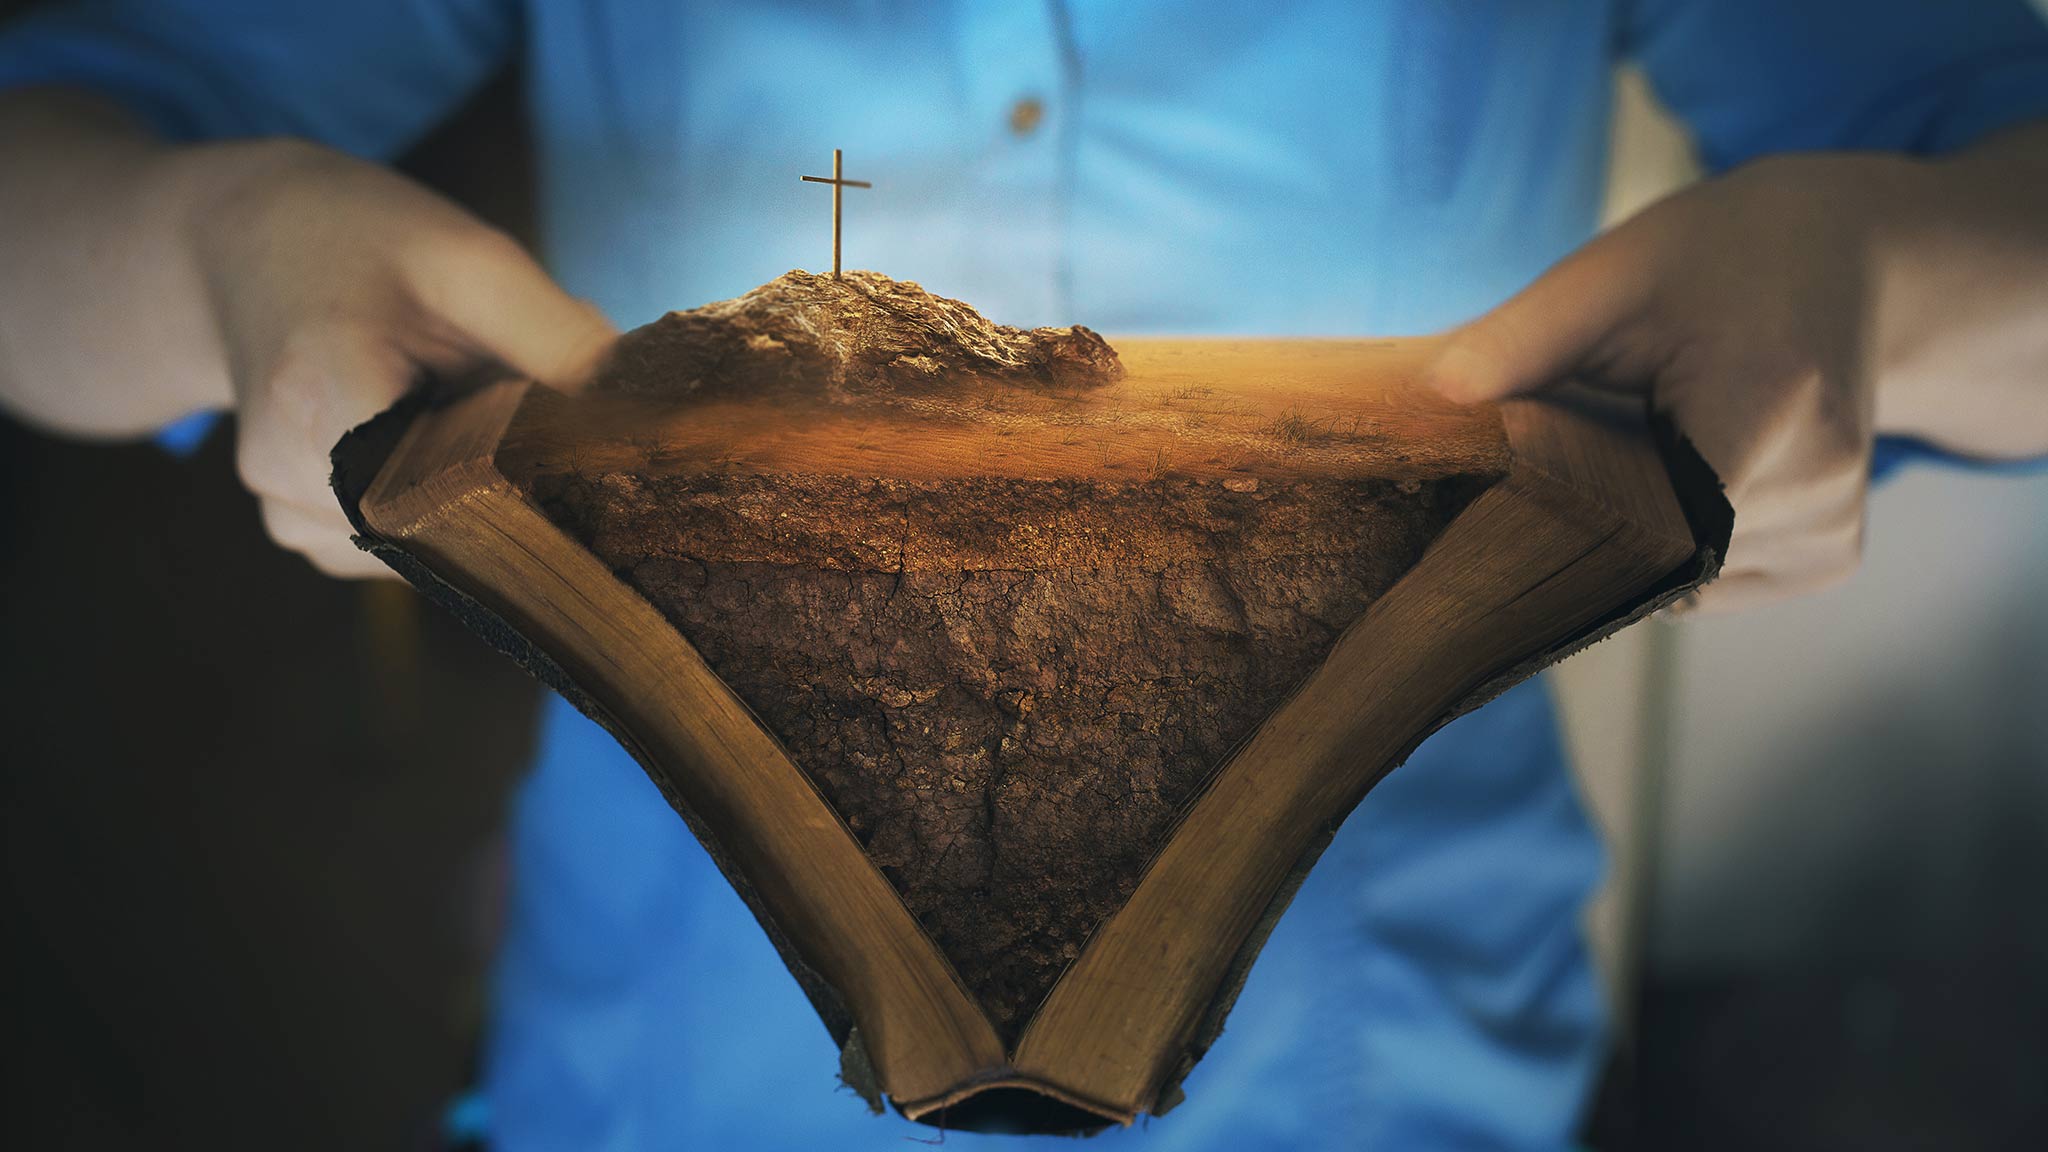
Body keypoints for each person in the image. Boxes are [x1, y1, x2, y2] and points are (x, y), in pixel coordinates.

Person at [1, 2, 2044, 1148]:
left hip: (1383, 1074)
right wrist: (221, 238)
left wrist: (1875, 265)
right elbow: (47, 176)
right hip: (661, 1079)